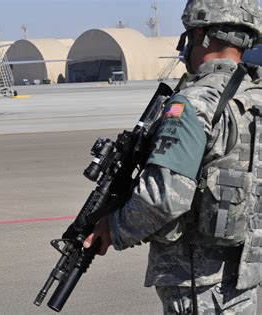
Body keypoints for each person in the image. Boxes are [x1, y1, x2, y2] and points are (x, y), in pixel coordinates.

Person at [84, 0, 261, 314]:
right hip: (242, 277)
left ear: (201, 34)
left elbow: (165, 197)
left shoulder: (194, 104)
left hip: (198, 284)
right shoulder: (253, 98)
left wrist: (113, 227)